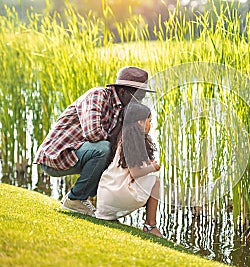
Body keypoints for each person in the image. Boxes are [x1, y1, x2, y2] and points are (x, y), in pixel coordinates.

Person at [34, 66, 155, 216]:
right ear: (123, 92)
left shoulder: (123, 109)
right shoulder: (98, 95)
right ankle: (75, 199)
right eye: (138, 95)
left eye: (142, 96)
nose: (140, 101)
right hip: (57, 156)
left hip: (78, 153)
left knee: (113, 156)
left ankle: (97, 206)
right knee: (104, 149)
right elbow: (93, 134)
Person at [95, 102, 162, 237]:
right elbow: (135, 172)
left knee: (148, 180)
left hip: (106, 198)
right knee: (155, 181)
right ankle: (150, 225)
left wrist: (147, 164)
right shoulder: (134, 139)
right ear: (140, 122)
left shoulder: (124, 137)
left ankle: (111, 215)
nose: (151, 125)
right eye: (149, 121)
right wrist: (152, 167)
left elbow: (129, 166)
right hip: (117, 195)